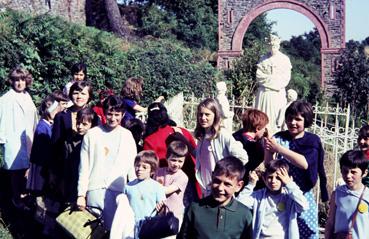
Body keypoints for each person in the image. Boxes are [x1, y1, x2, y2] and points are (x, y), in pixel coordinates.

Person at [264, 100, 328, 239]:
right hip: (280, 197)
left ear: (306, 120)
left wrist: (279, 149)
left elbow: (305, 163)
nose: (293, 122)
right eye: (290, 118)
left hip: (302, 195)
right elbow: (269, 165)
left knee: (306, 232)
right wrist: (268, 147)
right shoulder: (279, 137)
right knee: (281, 232)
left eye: (298, 119)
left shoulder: (312, 140)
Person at [76, 95, 137, 230]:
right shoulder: (92, 135)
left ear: (123, 114)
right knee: (91, 232)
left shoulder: (127, 136)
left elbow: (132, 168)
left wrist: (134, 193)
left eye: (117, 114)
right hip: (94, 190)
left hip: (118, 192)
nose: (113, 118)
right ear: (104, 113)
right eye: (110, 114)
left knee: (113, 232)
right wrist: (81, 194)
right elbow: (84, 167)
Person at [178, 156, 252, 239]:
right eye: (217, 181)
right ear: (212, 176)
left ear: (239, 186)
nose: (220, 188)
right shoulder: (195, 208)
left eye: (227, 184)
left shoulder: (244, 215)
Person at [237, 160, 309, 239]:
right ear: (264, 178)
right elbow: (239, 204)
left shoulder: (289, 197)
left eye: (278, 178)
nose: (273, 181)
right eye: (270, 177)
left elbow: (304, 206)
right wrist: (251, 184)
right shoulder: (258, 196)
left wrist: (290, 184)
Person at [143, 102, 200, 199]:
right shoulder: (182, 131)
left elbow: (149, 167)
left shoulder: (149, 140)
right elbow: (196, 154)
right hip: (190, 181)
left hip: (166, 184)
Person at [0, 66, 38, 210]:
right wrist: (3, 140)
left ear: (26, 81)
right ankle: (16, 199)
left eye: (22, 79)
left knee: (26, 169)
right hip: (13, 139)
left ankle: (23, 195)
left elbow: (33, 116)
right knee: (16, 172)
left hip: (28, 138)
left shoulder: (26, 96)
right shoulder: (5, 99)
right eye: (16, 80)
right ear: (12, 81)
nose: (19, 83)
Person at [194, 98, 248, 196]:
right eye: (200, 114)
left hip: (220, 190)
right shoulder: (202, 136)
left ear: (215, 115)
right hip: (206, 189)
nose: (203, 118)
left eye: (207, 114)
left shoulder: (222, 134)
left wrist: (226, 173)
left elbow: (242, 157)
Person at [51, 81, 93, 200]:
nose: (79, 97)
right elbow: (55, 145)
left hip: (86, 165)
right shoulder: (62, 115)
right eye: (76, 93)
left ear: (89, 96)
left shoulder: (94, 116)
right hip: (66, 165)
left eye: (83, 93)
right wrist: (53, 171)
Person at [111, 150, 165, 238]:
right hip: (130, 229)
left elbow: (162, 211)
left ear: (152, 170)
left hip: (148, 228)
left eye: (144, 167)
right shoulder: (128, 186)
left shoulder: (157, 187)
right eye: (137, 165)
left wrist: (161, 209)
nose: (139, 169)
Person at [325, 150, 369, 239]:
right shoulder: (337, 194)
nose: (348, 175)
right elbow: (330, 223)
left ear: (364, 173)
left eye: (353, 172)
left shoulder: (367, 195)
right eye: (345, 171)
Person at [254, 34, 292, 134]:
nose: (272, 48)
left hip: (276, 95)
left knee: (275, 120)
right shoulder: (263, 58)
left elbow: (285, 79)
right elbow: (259, 76)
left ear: (278, 46)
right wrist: (273, 79)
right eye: (270, 46)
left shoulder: (284, 59)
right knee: (261, 119)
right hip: (264, 94)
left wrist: (269, 81)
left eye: (274, 46)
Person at [27, 94, 62, 196]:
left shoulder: (49, 125)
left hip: (44, 164)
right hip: (41, 165)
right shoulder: (42, 128)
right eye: (56, 110)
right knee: (40, 191)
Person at [62, 107, 98, 204]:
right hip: (73, 183)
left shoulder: (96, 143)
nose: (80, 126)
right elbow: (67, 166)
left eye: (84, 124)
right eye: (78, 123)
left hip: (92, 185)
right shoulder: (70, 142)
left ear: (92, 125)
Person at [155, 140, 189, 230]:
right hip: (158, 213)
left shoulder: (182, 177)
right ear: (167, 158)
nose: (176, 164)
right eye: (173, 160)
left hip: (174, 215)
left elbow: (165, 191)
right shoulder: (159, 172)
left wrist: (152, 190)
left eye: (180, 161)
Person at [233, 109, 269, 189]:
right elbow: (262, 159)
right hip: (244, 180)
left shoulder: (235, 136)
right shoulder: (253, 145)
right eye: (264, 128)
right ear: (257, 128)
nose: (265, 130)